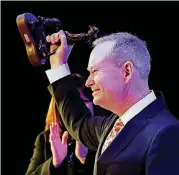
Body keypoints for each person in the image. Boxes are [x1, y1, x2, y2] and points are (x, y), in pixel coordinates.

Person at [44, 30, 179, 175]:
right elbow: (79, 122)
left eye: (95, 71)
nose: (88, 82)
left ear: (126, 71)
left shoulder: (166, 132)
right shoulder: (114, 124)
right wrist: (58, 64)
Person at [25, 73, 96, 175]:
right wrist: (55, 162)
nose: (78, 110)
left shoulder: (102, 135)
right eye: (71, 105)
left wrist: (84, 158)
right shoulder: (44, 139)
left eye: (84, 101)